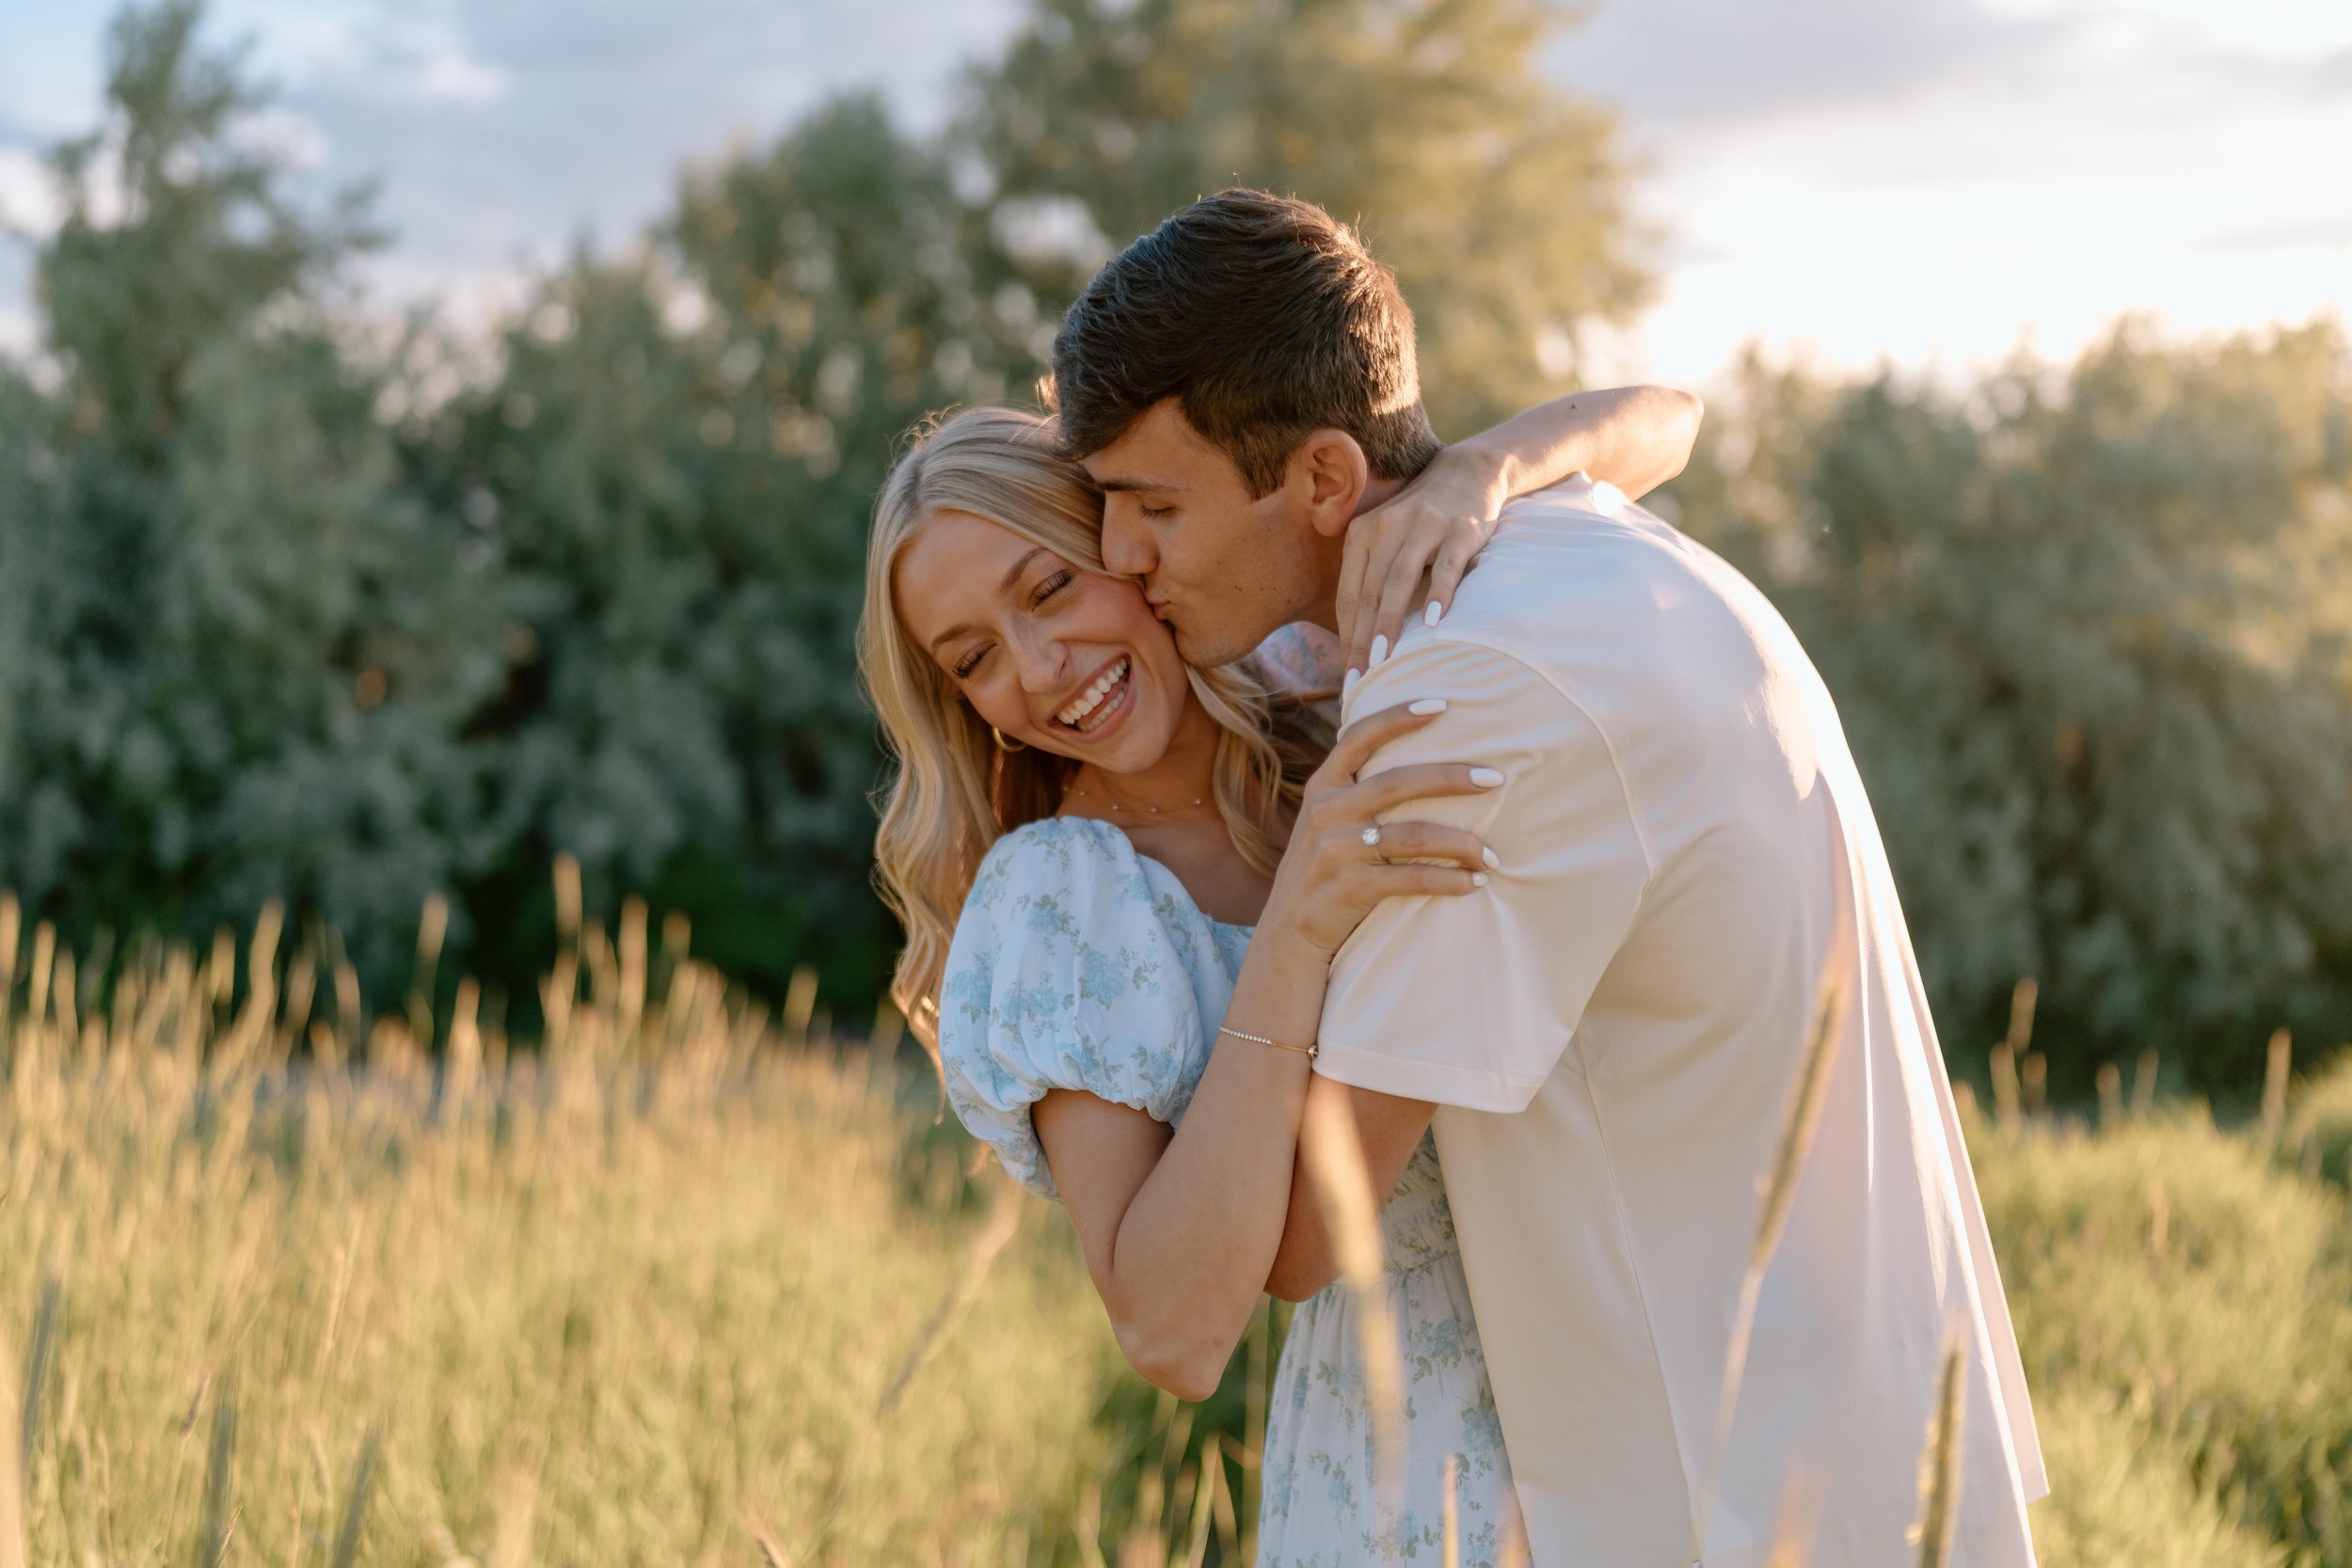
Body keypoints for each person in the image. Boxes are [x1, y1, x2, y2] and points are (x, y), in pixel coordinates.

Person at [1047, 188, 2047, 1568]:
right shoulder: (1576, 543)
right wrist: (1490, 460)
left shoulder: (1460, 696)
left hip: (1720, 1495)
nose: (1119, 554)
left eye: (1154, 505)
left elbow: (1303, 1236)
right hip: (1868, 1432)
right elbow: (1662, 415)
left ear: (1326, 480)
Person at [860, 388, 1700, 1562]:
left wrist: (1479, 472)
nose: (1041, 669)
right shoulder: (1065, 902)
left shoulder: (1324, 666)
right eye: (975, 658)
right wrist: (1294, 932)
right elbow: (1172, 1335)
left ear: (1129, 545)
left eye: (1049, 587)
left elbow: (1668, 420)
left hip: (1643, 1354)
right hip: (1422, 1453)